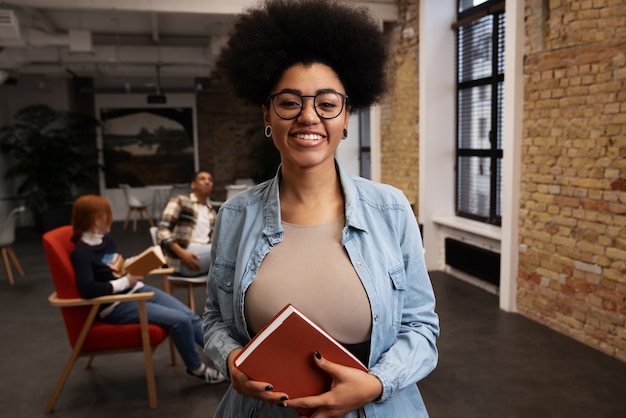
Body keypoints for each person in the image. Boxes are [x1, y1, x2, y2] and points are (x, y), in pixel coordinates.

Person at [202, 0, 439, 417]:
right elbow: (213, 321)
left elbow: (421, 328)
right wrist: (230, 360)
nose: (308, 117)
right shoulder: (235, 217)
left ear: (346, 117)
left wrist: (376, 383)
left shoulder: (391, 210)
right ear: (267, 115)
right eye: (289, 102)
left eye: (327, 104)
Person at [70, 195, 225, 384]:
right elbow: (88, 289)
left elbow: (114, 266)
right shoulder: (82, 253)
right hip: (117, 305)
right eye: (108, 215)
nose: (111, 218)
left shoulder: (105, 240)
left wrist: (134, 264)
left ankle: (224, 360)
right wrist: (126, 282)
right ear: (97, 220)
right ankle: (196, 368)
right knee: (181, 321)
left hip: (136, 290)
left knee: (190, 316)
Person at [156, 171, 216, 276]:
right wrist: (182, 254)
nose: (207, 182)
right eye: (202, 179)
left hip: (205, 255)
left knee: (233, 256)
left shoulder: (211, 212)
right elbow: (162, 230)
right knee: (233, 253)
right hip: (183, 259)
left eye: (210, 180)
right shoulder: (180, 201)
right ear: (193, 185)